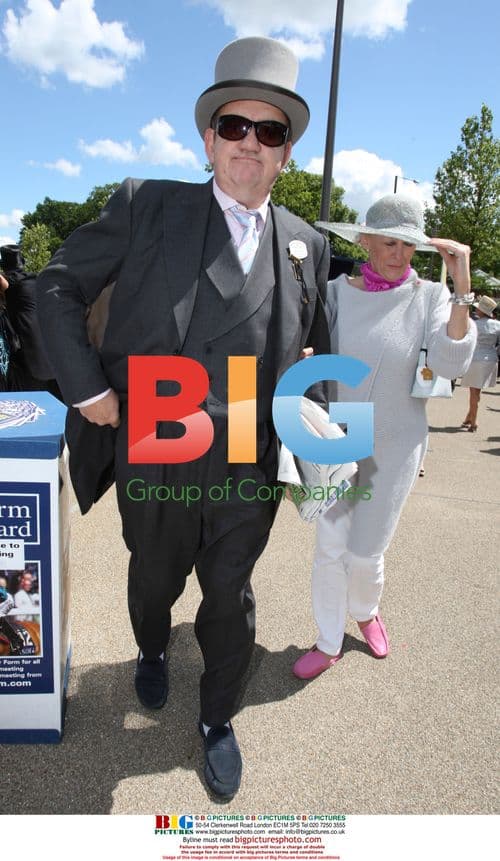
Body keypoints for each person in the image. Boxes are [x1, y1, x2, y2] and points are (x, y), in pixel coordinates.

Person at [36, 36, 330, 800]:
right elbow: (56, 287)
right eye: (235, 125)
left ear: (286, 152)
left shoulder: (307, 244)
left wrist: (319, 448)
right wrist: (87, 390)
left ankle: (216, 717)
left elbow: (316, 351)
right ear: (208, 138)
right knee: (153, 577)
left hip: (247, 460)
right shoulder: (147, 205)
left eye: (269, 131)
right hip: (153, 445)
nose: (249, 143)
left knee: (231, 595)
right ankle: (151, 646)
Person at [293, 194, 477, 680]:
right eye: (389, 242)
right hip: (337, 433)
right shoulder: (335, 293)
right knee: (331, 547)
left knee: (365, 551)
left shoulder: (429, 297)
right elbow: (307, 346)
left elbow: (451, 364)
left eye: (408, 245)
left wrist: (461, 288)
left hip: (396, 441)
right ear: (366, 242)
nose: (398, 254)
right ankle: (328, 640)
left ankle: (366, 611)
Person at [459, 295, 500, 432]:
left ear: (482, 311)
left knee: (473, 392)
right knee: (477, 391)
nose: (476, 310)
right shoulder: (497, 325)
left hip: (475, 359)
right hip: (490, 359)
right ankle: (469, 417)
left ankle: (474, 421)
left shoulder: (473, 324)